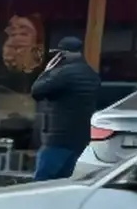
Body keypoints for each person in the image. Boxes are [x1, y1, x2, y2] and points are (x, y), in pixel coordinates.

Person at [29, 35, 102, 180]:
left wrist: (47, 71)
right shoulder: (92, 74)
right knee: (66, 184)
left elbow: (36, 91)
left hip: (57, 139)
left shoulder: (63, 74)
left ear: (61, 55)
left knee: (39, 185)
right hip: (80, 141)